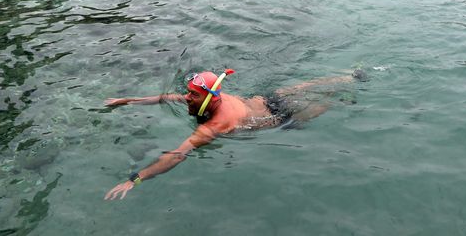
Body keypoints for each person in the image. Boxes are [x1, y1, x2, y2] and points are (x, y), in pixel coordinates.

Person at [104, 68, 365, 200]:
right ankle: (348, 76)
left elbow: (177, 155)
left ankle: (344, 96)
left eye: (193, 94)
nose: (186, 97)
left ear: (209, 97)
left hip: (278, 118)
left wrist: (135, 179)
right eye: (189, 92)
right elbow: (167, 97)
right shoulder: (210, 98)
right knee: (301, 87)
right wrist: (128, 101)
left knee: (318, 106)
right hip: (266, 99)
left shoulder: (217, 125)